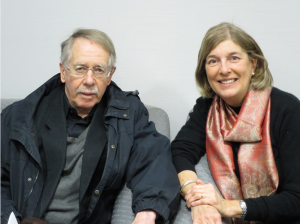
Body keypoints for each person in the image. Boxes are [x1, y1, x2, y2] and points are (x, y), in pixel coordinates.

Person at [1, 28, 180, 224]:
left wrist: (148, 211)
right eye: (80, 68)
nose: (89, 80)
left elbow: (153, 160)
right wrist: (10, 218)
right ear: (63, 72)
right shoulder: (22, 115)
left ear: (110, 75)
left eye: (99, 70)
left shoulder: (128, 115)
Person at [171, 22, 300, 224]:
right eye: (213, 61)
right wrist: (197, 198)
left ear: (254, 64)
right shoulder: (207, 108)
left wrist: (228, 206)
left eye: (234, 58)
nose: (224, 69)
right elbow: (180, 151)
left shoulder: (288, 110)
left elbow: (296, 200)